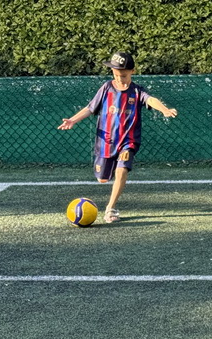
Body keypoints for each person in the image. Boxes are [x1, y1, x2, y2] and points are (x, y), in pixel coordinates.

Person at [58, 51, 178, 223]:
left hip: (128, 141)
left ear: (132, 72)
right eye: (116, 74)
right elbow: (90, 108)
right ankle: (108, 172)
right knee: (103, 179)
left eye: (123, 75)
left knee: (122, 170)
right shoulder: (106, 88)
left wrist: (165, 110)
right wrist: (72, 120)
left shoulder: (137, 92)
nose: (120, 78)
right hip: (106, 141)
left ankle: (110, 208)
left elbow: (151, 100)